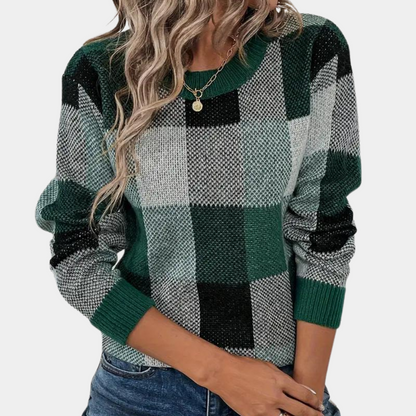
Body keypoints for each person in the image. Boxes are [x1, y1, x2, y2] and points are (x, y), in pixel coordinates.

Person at [34, 1, 361, 415]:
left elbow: (324, 236)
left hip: (280, 386)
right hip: (141, 391)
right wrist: (220, 372)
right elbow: (77, 256)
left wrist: (304, 399)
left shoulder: (308, 48)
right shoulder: (102, 70)